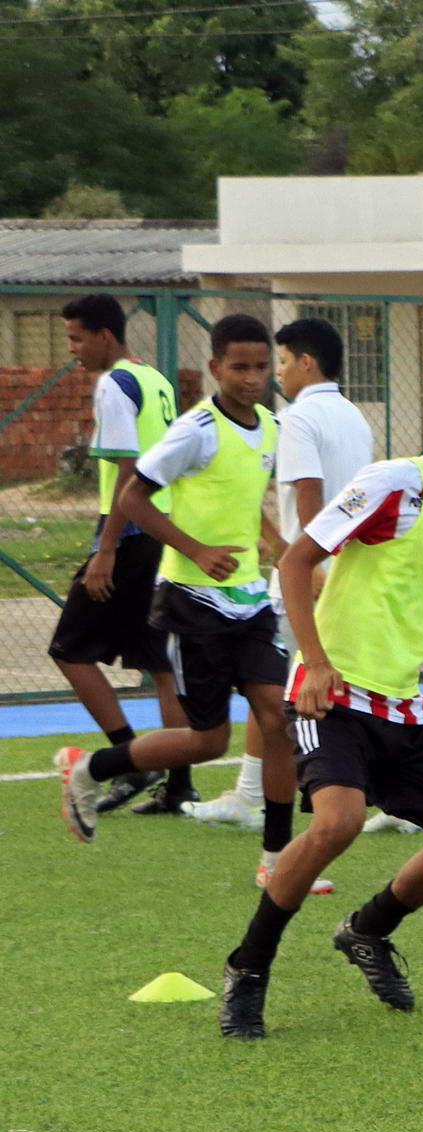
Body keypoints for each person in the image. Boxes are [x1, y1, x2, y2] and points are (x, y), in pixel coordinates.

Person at [216, 367, 423, 1039]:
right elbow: (296, 560)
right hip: (332, 695)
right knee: (336, 822)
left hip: (403, 706)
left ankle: (367, 929)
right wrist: (312, 662)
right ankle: (248, 968)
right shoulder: (393, 483)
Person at [56, 314, 297, 872]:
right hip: (192, 601)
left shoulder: (267, 425)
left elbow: (237, 496)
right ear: (215, 368)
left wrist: (277, 543)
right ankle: (91, 769)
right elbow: (134, 496)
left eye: (262, 367)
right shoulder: (197, 429)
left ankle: (279, 859)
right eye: (239, 367)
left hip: (250, 601)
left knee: (277, 719)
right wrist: (195, 549)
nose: (252, 377)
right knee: (208, 740)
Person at [182, 317, 401, 892]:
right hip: (350, 568)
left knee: (288, 695)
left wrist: (304, 562)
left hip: (309, 575)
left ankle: (287, 803)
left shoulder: (298, 416)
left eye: (277, 362)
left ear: (306, 362)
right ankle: (251, 793)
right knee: (279, 691)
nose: (271, 373)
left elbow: (308, 495)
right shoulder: (353, 414)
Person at [46, 294, 194, 816]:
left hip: (130, 536)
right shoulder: (154, 378)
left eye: (76, 338)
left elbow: (128, 473)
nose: (73, 349)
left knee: (68, 649)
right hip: (163, 531)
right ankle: (178, 786)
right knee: (159, 663)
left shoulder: (112, 384)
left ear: (105, 336)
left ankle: (130, 759)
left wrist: (104, 549)